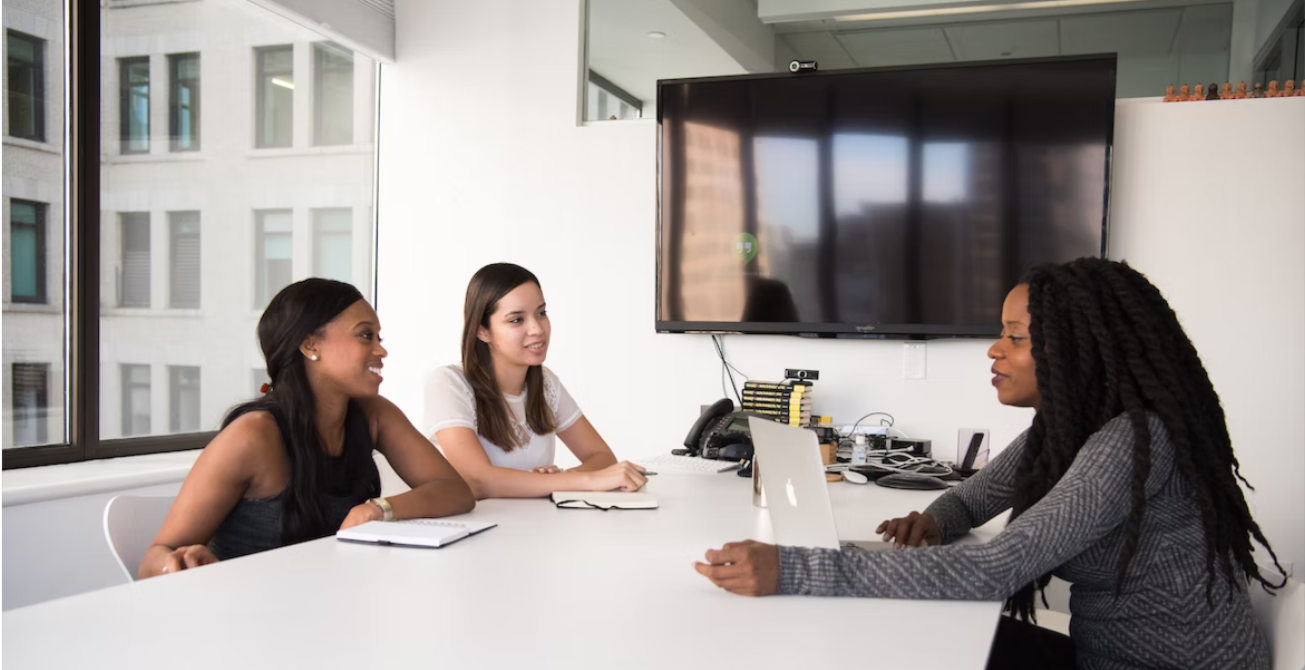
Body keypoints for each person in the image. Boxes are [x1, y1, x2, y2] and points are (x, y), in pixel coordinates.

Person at [693, 258, 1285, 670]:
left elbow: (995, 570)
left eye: (1016, 336)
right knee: (922, 635)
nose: (994, 350)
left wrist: (795, 570)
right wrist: (937, 518)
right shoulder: (1067, 430)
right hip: (1105, 655)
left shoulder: (1133, 440)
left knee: (921, 641)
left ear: (1075, 348)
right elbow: (977, 495)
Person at [139, 279, 475, 578]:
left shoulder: (373, 414)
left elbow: (454, 491)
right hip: (250, 617)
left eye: (378, 337)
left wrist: (378, 509)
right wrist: (178, 564)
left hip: (327, 604)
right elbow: (153, 560)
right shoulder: (252, 437)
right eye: (364, 335)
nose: (381, 349)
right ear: (310, 345)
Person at [425, 263, 646, 499]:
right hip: (478, 531)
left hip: (536, 528)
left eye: (541, 313)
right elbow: (478, 480)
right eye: (517, 320)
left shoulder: (545, 382)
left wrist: (556, 480)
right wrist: (572, 481)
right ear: (483, 331)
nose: (537, 329)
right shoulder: (449, 383)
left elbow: (602, 457)